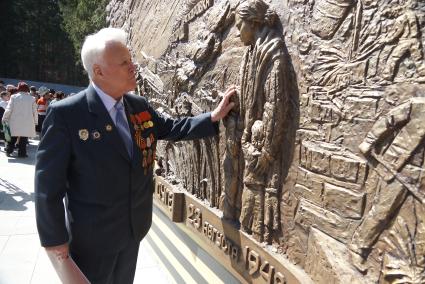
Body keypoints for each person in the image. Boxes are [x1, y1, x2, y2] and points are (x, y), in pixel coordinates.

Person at [35, 27, 235, 283]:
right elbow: (47, 185)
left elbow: (172, 128)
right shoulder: (66, 115)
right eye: (124, 63)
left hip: (133, 230)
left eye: (131, 60)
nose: (134, 67)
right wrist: (56, 242)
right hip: (92, 241)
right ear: (98, 72)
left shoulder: (137, 106)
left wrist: (212, 117)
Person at [2, 82, 37, 157]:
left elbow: (9, 109)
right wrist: (36, 121)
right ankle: (22, 154)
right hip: (27, 122)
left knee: (13, 136)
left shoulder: (13, 97)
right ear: (27, 89)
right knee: (24, 138)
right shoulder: (32, 98)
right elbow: (35, 111)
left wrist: (4, 118)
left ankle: (9, 150)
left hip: (15, 121)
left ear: (19, 89)